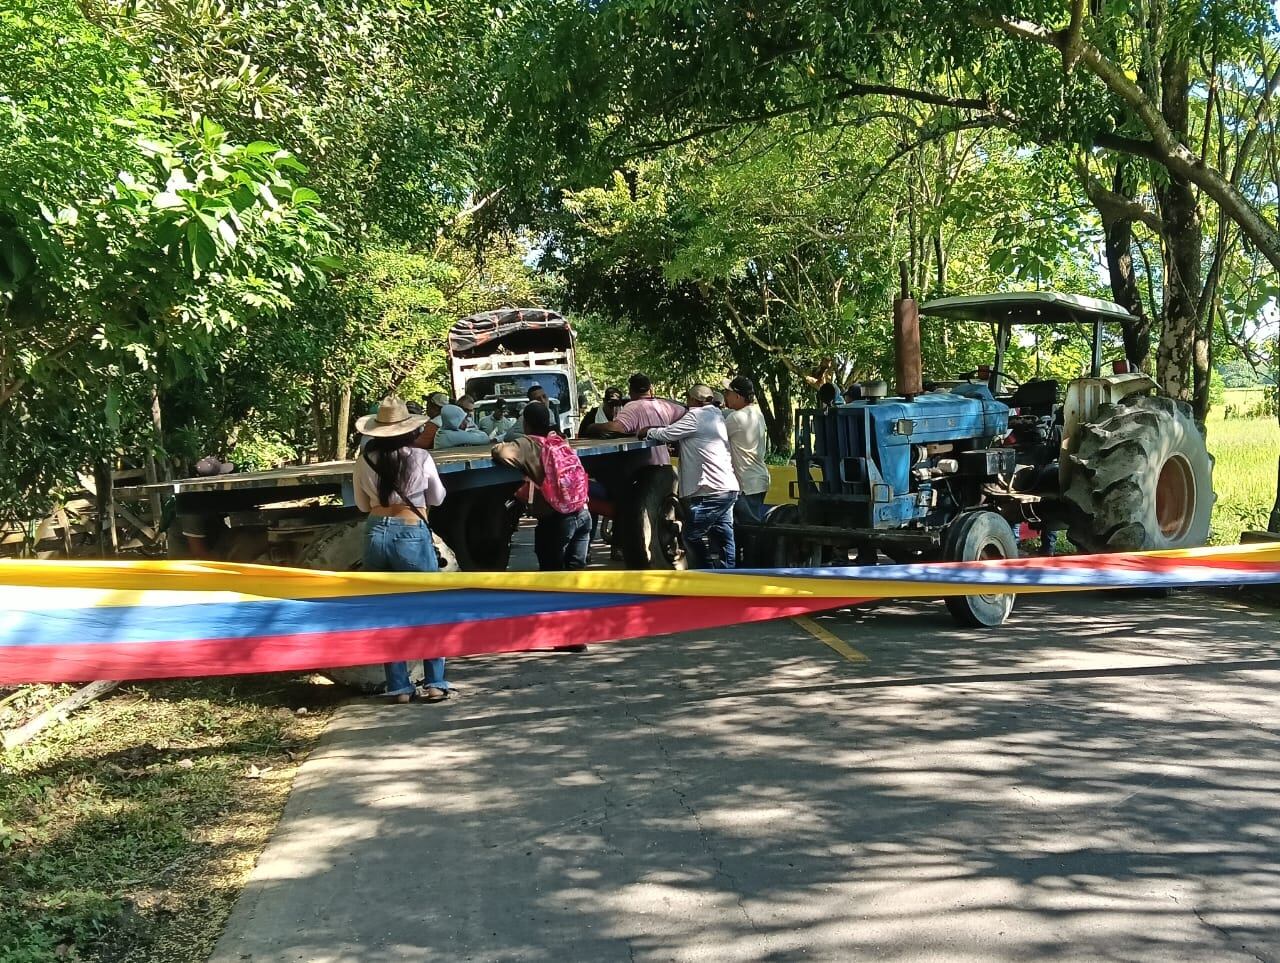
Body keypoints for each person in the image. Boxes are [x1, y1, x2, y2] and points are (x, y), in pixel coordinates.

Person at [354, 397, 451, 704]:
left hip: (374, 533)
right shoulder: (420, 457)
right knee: (429, 610)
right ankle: (434, 682)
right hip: (411, 533)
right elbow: (437, 498)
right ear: (408, 429)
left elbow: (360, 504)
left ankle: (398, 686)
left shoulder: (364, 458)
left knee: (387, 612)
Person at [492, 402, 593, 653]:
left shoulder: (529, 443)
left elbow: (502, 453)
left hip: (559, 520)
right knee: (574, 576)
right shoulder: (557, 441)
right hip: (582, 513)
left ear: (526, 423)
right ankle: (577, 634)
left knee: (552, 576)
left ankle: (562, 634)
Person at [640, 384, 740, 569]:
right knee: (724, 535)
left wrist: (648, 431)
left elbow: (667, 434)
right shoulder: (717, 415)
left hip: (710, 490)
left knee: (691, 535)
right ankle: (728, 575)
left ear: (693, 400)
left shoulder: (696, 417)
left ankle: (706, 571)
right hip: (727, 488)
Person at [581, 373, 686, 467]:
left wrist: (593, 427)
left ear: (630, 391)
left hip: (644, 471)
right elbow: (688, 413)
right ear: (651, 389)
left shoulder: (633, 407)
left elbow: (616, 428)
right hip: (664, 466)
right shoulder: (665, 406)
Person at [722, 375, 771, 523]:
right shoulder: (757, 413)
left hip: (746, 482)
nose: (726, 397)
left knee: (750, 530)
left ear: (737, 396)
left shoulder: (735, 418)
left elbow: (713, 437)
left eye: (728, 393)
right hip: (758, 478)